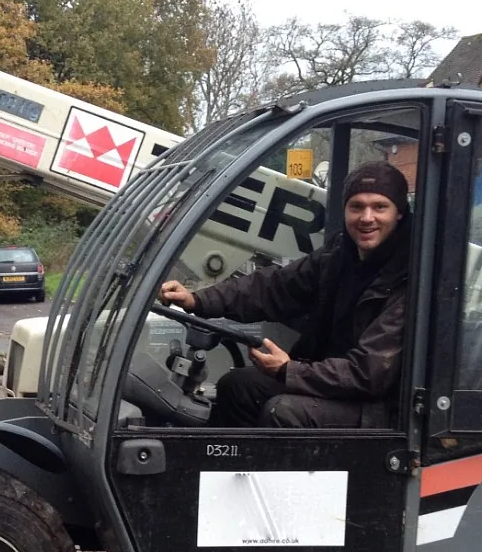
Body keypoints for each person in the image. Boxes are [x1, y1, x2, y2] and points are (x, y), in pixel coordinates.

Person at [159, 161, 410, 428]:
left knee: (284, 411)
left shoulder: (408, 276)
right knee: (238, 386)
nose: (367, 217)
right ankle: (228, 468)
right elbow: (273, 286)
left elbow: (368, 374)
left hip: (379, 406)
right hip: (334, 385)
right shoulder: (339, 255)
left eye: (379, 207)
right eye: (356, 206)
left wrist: (290, 370)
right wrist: (198, 300)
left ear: (399, 213)